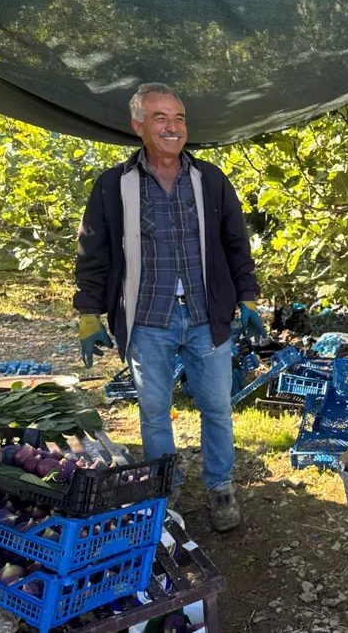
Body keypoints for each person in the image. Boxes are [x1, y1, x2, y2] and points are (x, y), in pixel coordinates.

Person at [73, 83, 266, 532]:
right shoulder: (113, 185)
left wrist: (248, 297)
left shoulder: (209, 180)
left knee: (217, 408)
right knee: (154, 413)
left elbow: (237, 244)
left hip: (205, 315)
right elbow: (94, 252)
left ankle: (221, 487)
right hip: (148, 319)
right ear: (137, 125)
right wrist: (89, 312)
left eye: (178, 118)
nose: (173, 127)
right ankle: (165, 489)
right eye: (160, 118)